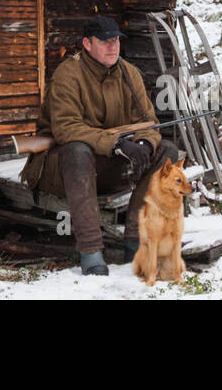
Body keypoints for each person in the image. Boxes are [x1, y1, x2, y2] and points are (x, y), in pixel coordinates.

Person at [19, 16, 181, 275]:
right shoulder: (67, 75)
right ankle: (91, 252)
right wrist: (116, 143)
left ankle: (134, 241)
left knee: (167, 152)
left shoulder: (129, 73)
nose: (112, 46)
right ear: (87, 43)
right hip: (61, 170)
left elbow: (148, 121)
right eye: (104, 41)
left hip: (108, 167)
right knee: (77, 149)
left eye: (115, 40)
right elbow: (67, 128)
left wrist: (143, 144)